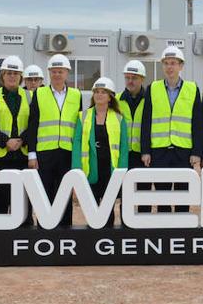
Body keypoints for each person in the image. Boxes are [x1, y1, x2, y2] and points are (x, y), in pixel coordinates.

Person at [140, 45, 203, 214]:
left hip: (183, 152)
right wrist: (145, 150)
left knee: (183, 195)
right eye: (166, 63)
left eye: (173, 63)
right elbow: (146, 121)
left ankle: (181, 229)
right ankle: (165, 231)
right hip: (159, 151)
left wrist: (196, 152)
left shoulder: (192, 89)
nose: (170, 67)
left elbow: (198, 124)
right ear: (163, 66)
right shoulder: (153, 89)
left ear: (181, 66)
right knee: (163, 197)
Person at [25, 54, 81, 227]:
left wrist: (78, 157)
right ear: (49, 73)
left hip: (67, 152)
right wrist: (31, 154)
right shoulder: (39, 94)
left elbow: (78, 128)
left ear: (67, 73)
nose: (57, 74)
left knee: (64, 196)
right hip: (44, 153)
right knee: (45, 195)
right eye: (54, 71)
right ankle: (45, 230)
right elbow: (33, 125)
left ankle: (65, 230)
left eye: (60, 71)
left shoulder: (76, 94)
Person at [70, 77, 129, 228]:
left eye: (103, 92)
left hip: (110, 169)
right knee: (92, 208)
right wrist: (76, 168)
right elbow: (77, 143)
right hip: (90, 168)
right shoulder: (83, 116)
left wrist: (121, 171)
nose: (99, 95)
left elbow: (123, 147)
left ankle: (108, 238)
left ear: (110, 97)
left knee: (108, 208)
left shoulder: (119, 118)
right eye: (96, 92)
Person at [0, 56, 30, 220]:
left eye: (15, 73)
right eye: (8, 73)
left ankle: (24, 233)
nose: (12, 76)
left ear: (21, 77)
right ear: (2, 75)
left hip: (21, 156)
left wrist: (21, 140)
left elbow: (33, 124)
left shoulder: (30, 96)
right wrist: (5, 141)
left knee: (23, 198)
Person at [119, 60, 150, 214]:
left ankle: (143, 230)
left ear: (142, 79)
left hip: (143, 155)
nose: (130, 81)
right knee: (126, 194)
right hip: (123, 155)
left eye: (134, 78)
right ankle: (126, 230)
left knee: (144, 195)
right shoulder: (117, 101)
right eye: (127, 77)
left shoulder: (149, 100)